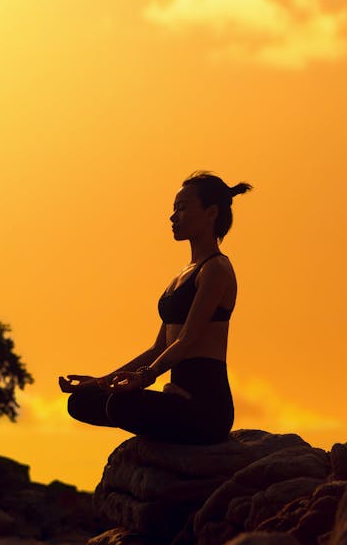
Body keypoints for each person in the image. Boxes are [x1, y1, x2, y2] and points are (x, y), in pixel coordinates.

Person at [60, 171, 252, 445]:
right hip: (173, 395)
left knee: (119, 406)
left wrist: (145, 378)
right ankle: (162, 412)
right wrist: (101, 381)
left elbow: (187, 338)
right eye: (174, 209)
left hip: (205, 406)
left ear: (211, 213)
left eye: (182, 209)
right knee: (81, 402)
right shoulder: (181, 276)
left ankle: (170, 422)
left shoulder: (217, 269)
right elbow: (158, 347)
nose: (173, 217)